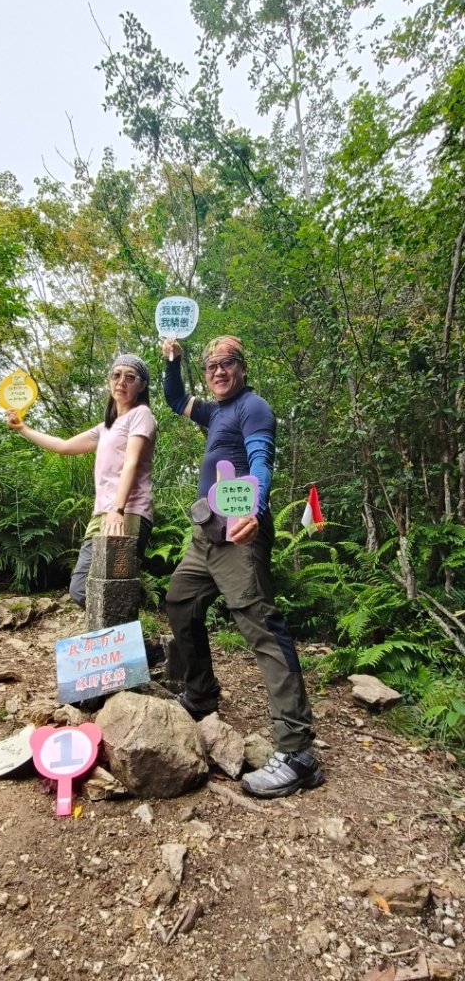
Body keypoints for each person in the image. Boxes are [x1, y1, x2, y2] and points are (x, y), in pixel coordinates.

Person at [161, 335, 323, 799]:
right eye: (210, 365)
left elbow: (259, 458)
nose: (217, 371)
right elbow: (174, 398)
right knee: (179, 600)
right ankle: (201, 694)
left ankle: (297, 753)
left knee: (262, 628)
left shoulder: (253, 407)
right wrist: (173, 360)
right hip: (205, 535)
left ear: (242, 367)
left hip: (239, 533)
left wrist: (254, 505)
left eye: (226, 363)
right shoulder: (214, 412)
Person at [5, 354, 157, 610]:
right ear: (109, 381)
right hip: (102, 515)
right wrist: (23, 428)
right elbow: (64, 446)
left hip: (127, 513)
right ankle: (136, 645)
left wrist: (118, 510)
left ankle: (133, 646)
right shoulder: (106, 427)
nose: (121, 381)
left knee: (114, 586)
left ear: (141, 386)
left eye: (130, 377)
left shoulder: (141, 415)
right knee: (81, 588)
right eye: (116, 375)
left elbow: (131, 462)